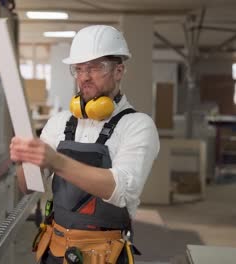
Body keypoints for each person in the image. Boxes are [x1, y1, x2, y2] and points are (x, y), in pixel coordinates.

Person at [10, 25, 160, 264]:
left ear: (119, 70)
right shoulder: (59, 122)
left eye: (94, 68)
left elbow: (121, 191)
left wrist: (56, 160)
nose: (84, 77)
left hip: (104, 255)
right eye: (79, 69)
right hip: (54, 250)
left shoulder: (138, 126)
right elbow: (27, 187)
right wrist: (25, 160)